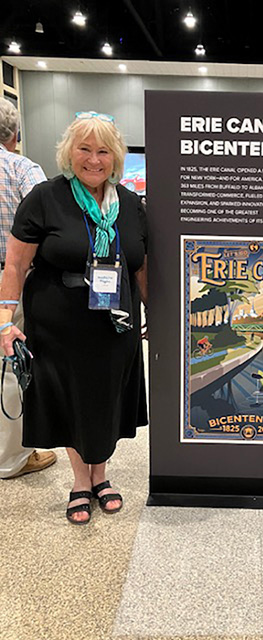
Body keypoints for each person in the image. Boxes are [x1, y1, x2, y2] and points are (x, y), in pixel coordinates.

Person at [0, 111, 148, 524]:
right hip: (59, 325)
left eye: (103, 151)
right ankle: (82, 482)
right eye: (85, 149)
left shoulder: (131, 205)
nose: (94, 159)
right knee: (70, 400)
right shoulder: (45, 197)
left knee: (106, 399)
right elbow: (15, 265)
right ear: (70, 152)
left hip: (115, 324)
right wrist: (4, 320)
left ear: (115, 157)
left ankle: (102, 476)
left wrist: (158, 316)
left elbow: (140, 266)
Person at [0, 97, 57, 479]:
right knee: (11, 363)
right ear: (15, 134)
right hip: (12, 280)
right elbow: (50, 224)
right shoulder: (21, 169)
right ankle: (11, 459)